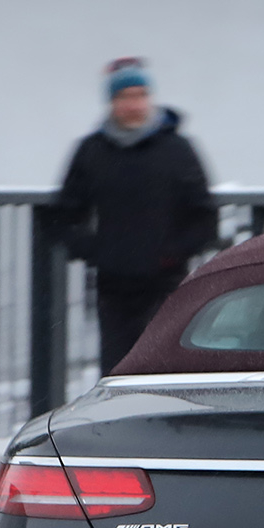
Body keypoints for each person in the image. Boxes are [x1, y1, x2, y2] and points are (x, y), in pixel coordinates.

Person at [53, 58, 216, 371]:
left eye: (140, 95)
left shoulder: (178, 149)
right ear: (112, 102)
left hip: (167, 284)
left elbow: (204, 217)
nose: (134, 104)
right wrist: (96, 252)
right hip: (113, 286)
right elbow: (64, 215)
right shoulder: (92, 151)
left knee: (166, 367)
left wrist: (171, 254)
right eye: (126, 97)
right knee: (118, 370)